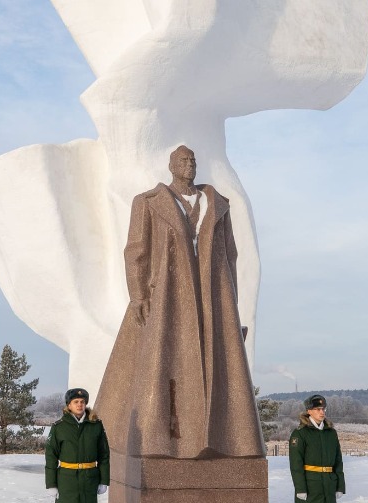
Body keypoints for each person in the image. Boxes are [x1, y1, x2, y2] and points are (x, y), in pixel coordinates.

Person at [96, 145, 264, 460]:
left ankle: (221, 440)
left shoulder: (218, 205)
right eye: (183, 160)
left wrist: (232, 308)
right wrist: (138, 294)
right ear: (171, 166)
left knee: (217, 367)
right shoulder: (148, 202)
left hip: (213, 297)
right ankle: (162, 441)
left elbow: (230, 257)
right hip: (167, 294)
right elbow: (136, 251)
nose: (190, 164)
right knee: (162, 363)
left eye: (193, 160)